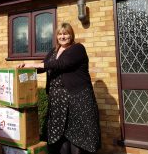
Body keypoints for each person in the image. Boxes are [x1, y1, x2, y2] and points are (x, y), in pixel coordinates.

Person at [18, 22, 101, 154]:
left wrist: (32, 63)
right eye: (60, 34)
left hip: (77, 98)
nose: (63, 36)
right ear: (56, 36)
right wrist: (27, 68)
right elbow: (44, 66)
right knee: (60, 137)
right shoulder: (53, 51)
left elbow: (61, 64)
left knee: (77, 136)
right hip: (58, 100)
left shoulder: (77, 48)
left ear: (71, 35)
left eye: (66, 33)